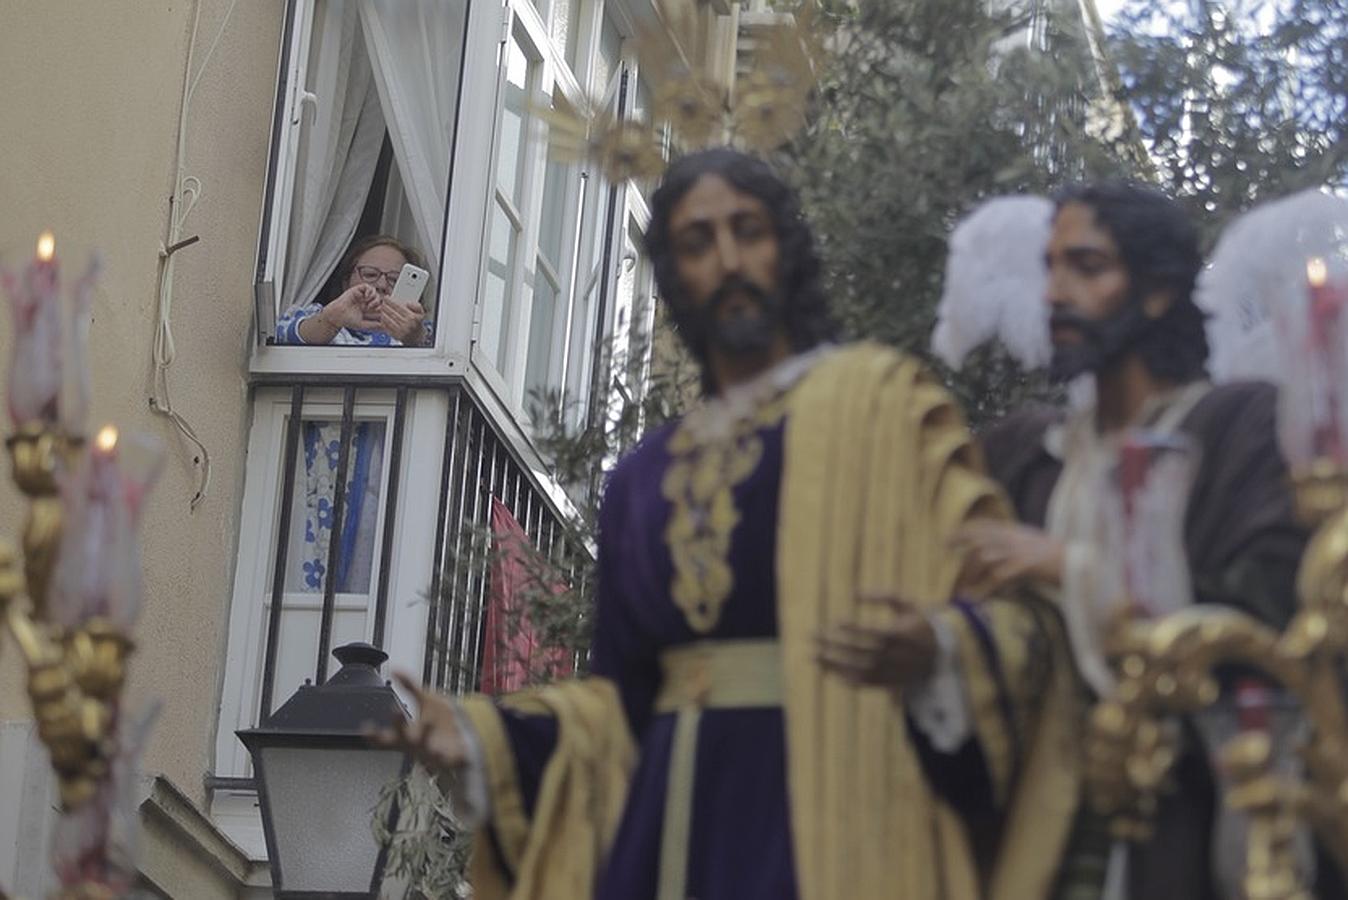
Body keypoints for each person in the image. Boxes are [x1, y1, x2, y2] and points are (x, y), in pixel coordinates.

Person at [369, 148, 1079, 900]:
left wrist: (939, 649)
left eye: (750, 230)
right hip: (667, 829)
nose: (730, 259)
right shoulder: (643, 476)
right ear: (676, 275)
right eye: (698, 243)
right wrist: (493, 740)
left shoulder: (885, 406)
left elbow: (1017, 619)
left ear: (788, 251)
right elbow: (617, 707)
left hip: (832, 818)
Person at [953, 181, 1312, 898]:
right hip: (1039, 811)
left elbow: (1266, 611)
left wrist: (1067, 567)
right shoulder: (1029, 453)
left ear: (1155, 292)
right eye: (1052, 266)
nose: (1056, 291)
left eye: (1087, 268)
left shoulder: (1236, 428)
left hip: (1186, 808)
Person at [276, 234, 431, 346]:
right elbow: (278, 336)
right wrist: (331, 321)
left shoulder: (426, 333)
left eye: (394, 279)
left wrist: (415, 338)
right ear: (346, 282)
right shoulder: (319, 315)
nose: (382, 285)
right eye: (370, 274)